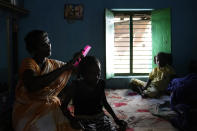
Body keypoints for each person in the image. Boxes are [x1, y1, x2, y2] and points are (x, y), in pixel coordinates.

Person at [12, 30, 83, 131]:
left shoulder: (53, 64)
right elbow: (33, 86)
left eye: (48, 42)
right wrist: (65, 67)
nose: (48, 45)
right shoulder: (28, 63)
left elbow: (74, 69)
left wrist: (77, 61)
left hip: (48, 105)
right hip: (28, 107)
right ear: (34, 49)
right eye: (43, 44)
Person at [61, 56, 127, 131]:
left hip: (100, 117)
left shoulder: (101, 83)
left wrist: (116, 119)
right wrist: (72, 120)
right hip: (83, 119)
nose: (97, 77)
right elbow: (63, 106)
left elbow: (104, 102)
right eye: (92, 73)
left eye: (98, 73)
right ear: (83, 74)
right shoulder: (76, 86)